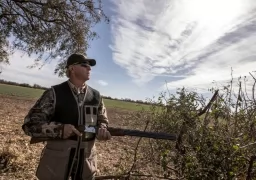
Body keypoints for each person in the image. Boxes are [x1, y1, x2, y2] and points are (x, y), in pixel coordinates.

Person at [22, 53, 112, 180]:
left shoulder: (96, 96)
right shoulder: (54, 93)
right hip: (55, 166)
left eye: (89, 66)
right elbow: (30, 125)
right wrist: (59, 130)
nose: (89, 68)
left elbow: (102, 120)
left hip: (86, 165)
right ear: (72, 68)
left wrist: (102, 129)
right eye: (85, 65)